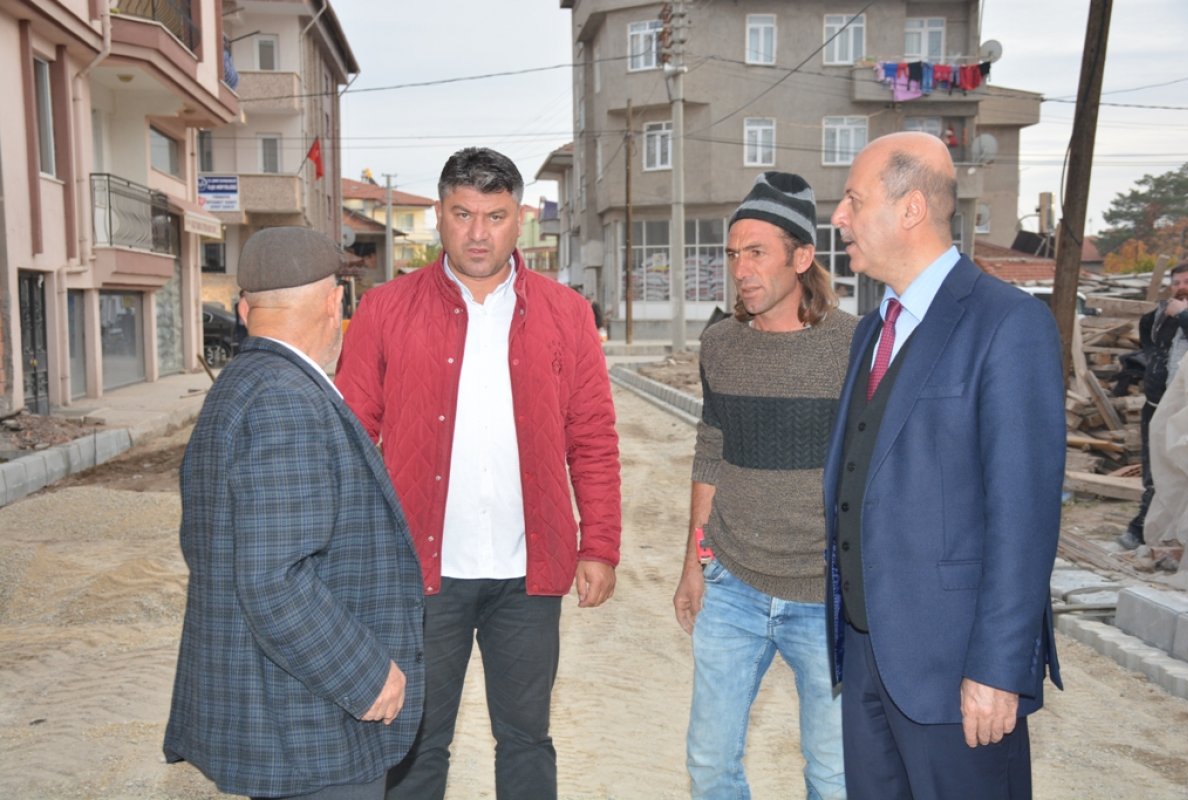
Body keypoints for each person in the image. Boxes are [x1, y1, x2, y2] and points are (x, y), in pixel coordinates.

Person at [335, 147, 621, 800]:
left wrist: (599, 544)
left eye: (495, 216)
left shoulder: (566, 314)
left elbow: (593, 439)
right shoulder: (385, 309)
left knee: (526, 740)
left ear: (520, 218)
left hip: (528, 573)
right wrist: (351, 557)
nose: (478, 233)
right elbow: (350, 443)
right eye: (463, 214)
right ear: (440, 215)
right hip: (421, 573)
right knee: (415, 743)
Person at [823, 131, 1065, 799]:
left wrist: (998, 668)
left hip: (959, 672)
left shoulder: (1006, 324)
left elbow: (1023, 516)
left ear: (911, 209)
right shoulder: (871, 330)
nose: (838, 217)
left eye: (853, 200)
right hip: (869, 660)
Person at [163, 227, 425, 800]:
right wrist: (364, 674)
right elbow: (274, 579)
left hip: (280, 710)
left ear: (244, 310)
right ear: (335, 304)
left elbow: (207, 543)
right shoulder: (287, 400)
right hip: (310, 725)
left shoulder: (239, 385)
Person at [672, 172, 854, 799]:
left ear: (802, 258)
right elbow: (710, 451)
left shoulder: (855, 347)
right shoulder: (720, 345)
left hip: (825, 595)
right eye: (733, 254)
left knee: (833, 776)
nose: (740, 270)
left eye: (756, 252)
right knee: (709, 766)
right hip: (733, 586)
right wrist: (693, 565)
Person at [1118, 261, 1188, 550]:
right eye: (1176, 283)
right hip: (1157, 403)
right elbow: (1150, 342)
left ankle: (1181, 535)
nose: (1181, 288)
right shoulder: (1161, 315)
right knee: (1155, 467)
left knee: (1185, 468)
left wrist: (1184, 316)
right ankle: (1143, 527)